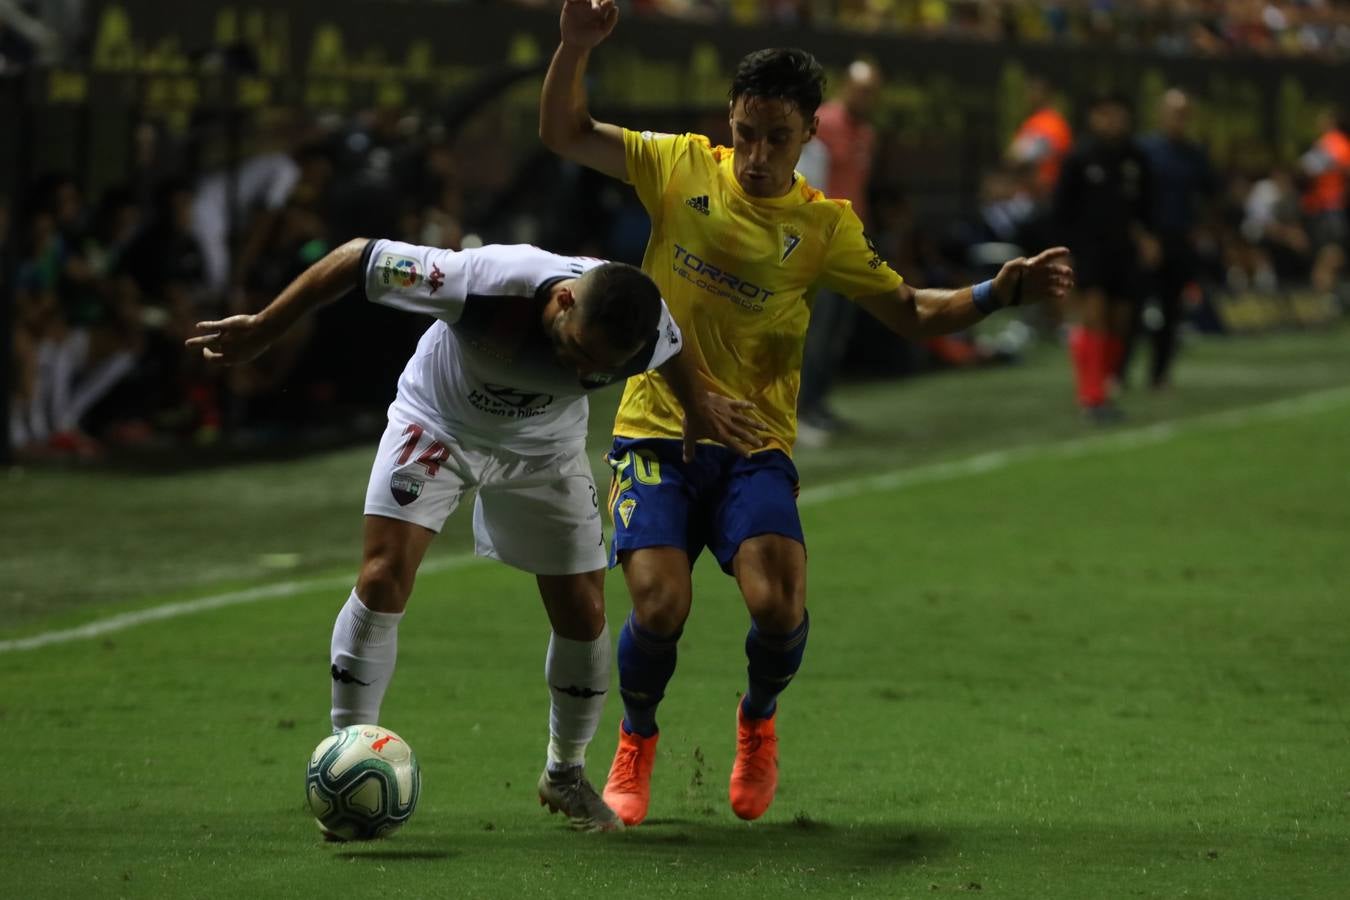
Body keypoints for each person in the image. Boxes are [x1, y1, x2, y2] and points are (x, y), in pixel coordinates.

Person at [539, 0, 1073, 825]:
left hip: (752, 442)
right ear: (730, 120)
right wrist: (573, 48)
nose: (755, 155)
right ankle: (636, 737)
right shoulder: (679, 166)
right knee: (658, 604)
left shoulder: (823, 228)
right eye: (746, 133)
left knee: (778, 603)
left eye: (775, 138)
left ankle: (757, 721)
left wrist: (993, 293)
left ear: (809, 134)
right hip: (656, 428)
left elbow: (912, 310)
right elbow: (565, 133)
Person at [186, 236, 762, 833]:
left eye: (602, 368)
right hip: (439, 424)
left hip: (544, 448)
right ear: (563, 301)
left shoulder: (640, 325)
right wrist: (264, 328)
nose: (586, 371)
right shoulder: (483, 281)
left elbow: (671, 350)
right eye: (579, 352)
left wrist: (697, 407)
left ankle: (564, 774)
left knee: (585, 607)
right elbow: (358, 258)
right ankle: (347, 757)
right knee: (384, 576)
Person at [1054, 91, 1155, 422]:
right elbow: (1061, 210)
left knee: (1121, 320)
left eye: (1118, 114)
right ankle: (1091, 395)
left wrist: (1148, 236)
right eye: (1106, 114)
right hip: (1090, 250)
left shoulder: (1134, 158)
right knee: (1094, 315)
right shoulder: (1079, 158)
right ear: (1093, 117)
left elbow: (1144, 206)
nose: (1114, 121)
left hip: (1124, 250)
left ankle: (1105, 385)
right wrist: (1064, 253)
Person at [795, 58, 882, 446]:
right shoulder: (824, 124)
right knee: (816, 329)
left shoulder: (867, 133)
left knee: (837, 331)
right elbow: (808, 183)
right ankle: (801, 411)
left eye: (873, 91)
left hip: (853, 243)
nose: (866, 97)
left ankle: (819, 402)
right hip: (822, 244)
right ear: (845, 86)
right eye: (861, 88)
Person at [1133, 88, 1217, 389]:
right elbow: (1132, 198)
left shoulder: (1195, 153)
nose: (1179, 119)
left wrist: (1201, 229)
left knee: (1172, 310)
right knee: (1133, 307)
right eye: (1173, 112)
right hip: (1147, 240)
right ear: (1160, 114)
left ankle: (1159, 374)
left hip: (1181, 240)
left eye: (1184, 114)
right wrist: (1142, 236)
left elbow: (1210, 194)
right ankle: (1116, 373)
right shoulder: (1143, 151)